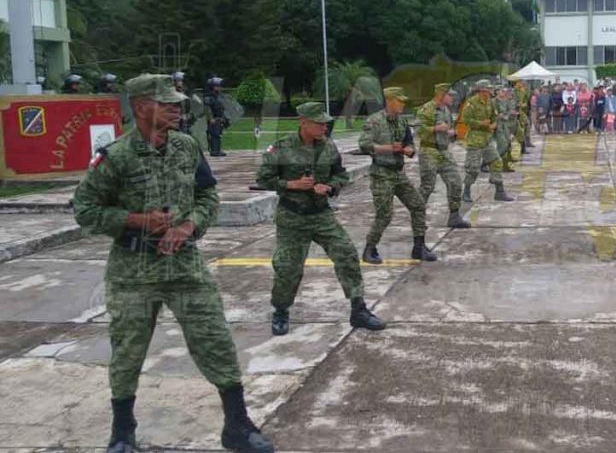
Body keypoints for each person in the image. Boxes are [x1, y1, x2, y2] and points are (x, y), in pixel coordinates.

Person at [71, 74, 274, 453]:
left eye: (177, 102)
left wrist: (187, 226)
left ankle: (237, 424)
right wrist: (135, 220)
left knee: (215, 340)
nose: (176, 109)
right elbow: (83, 209)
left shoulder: (187, 146)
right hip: (133, 270)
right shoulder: (115, 156)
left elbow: (208, 196)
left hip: (185, 265)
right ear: (140, 107)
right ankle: (122, 431)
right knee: (128, 350)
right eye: (166, 103)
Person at [257, 101, 384, 337]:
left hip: (321, 214)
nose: (324, 127)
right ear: (303, 122)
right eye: (319, 123)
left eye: (325, 124)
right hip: (292, 217)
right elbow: (263, 179)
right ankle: (281, 310)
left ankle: (358, 309)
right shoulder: (282, 147)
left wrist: (330, 187)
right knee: (288, 267)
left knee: (347, 254)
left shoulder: (328, 146)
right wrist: (291, 184)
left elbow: (341, 175)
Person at [358, 87, 437, 264]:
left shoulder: (402, 121)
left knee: (418, 205)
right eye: (399, 101)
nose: (402, 104)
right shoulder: (374, 121)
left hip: (399, 173)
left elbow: (409, 143)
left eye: (402, 101)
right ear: (389, 101)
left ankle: (419, 247)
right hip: (381, 174)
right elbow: (363, 144)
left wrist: (409, 150)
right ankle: (370, 248)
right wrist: (387, 148)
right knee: (385, 214)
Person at [417, 83, 471, 229]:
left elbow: (448, 128)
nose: (453, 98)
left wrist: (451, 132)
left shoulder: (446, 110)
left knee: (455, 182)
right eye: (450, 95)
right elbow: (419, 131)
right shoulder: (427, 109)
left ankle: (454, 217)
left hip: (444, 151)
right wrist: (436, 128)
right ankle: (418, 219)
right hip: (429, 151)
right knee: (427, 187)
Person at [461, 79, 514, 202]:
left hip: (487, 140)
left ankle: (499, 192)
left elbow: (494, 116)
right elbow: (466, 120)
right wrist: (481, 123)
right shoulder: (471, 103)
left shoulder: (490, 102)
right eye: (488, 89)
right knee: (473, 168)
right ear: (481, 90)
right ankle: (466, 192)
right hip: (475, 140)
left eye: (490, 89)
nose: (490, 91)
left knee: (497, 162)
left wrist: (494, 123)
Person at [204, 76, 228, 157]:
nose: (220, 88)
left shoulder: (217, 97)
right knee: (214, 134)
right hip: (213, 119)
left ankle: (218, 149)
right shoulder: (208, 97)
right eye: (217, 86)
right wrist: (211, 118)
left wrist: (223, 117)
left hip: (218, 118)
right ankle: (214, 150)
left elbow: (221, 108)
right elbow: (208, 109)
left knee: (218, 134)